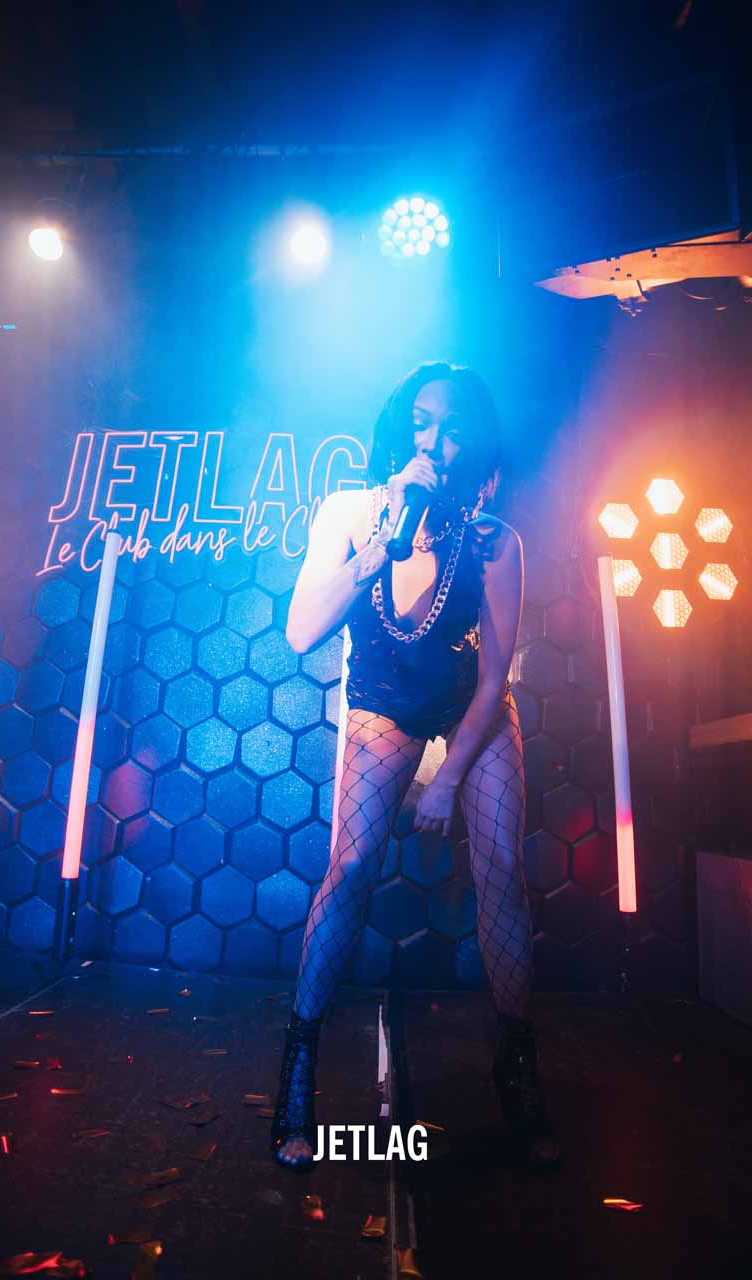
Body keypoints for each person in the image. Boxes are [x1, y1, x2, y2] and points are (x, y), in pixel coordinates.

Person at [270, 361, 560, 1170]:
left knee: (501, 870)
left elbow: (496, 675)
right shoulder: (352, 511)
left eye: (453, 428)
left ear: (475, 444)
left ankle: (517, 1065)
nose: (433, 440)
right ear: (401, 428)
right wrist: (380, 543)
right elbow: (301, 632)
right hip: (384, 702)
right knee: (351, 865)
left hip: (471, 708)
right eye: (422, 422)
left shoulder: (495, 540)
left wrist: (451, 778)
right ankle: (300, 1065)